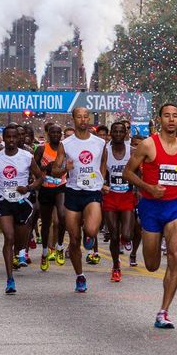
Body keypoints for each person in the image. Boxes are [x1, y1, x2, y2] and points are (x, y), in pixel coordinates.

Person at [123, 103, 177, 329]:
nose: (171, 120)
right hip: (151, 207)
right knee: (152, 265)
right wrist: (148, 187)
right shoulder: (148, 145)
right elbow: (127, 173)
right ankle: (154, 251)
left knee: (176, 255)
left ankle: (164, 311)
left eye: (175, 116)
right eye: (166, 116)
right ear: (159, 119)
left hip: (175, 207)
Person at [52, 107, 108, 293]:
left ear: (89, 118)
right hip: (73, 192)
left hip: (92, 191)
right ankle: (80, 276)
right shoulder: (66, 144)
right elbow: (54, 171)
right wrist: (65, 168)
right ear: (73, 120)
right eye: (79, 117)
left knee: (91, 229)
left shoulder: (99, 143)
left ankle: (89, 235)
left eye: (86, 117)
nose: (83, 120)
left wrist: (100, 180)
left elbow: (102, 164)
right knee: (74, 240)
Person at [0, 125, 44, 294]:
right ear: (4, 139)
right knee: (9, 237)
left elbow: (41, 177)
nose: (11, 140)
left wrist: (28, 188)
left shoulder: (26, 157)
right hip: (4, 200)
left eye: (14, 137)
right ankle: (10, 279)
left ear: (18, 139)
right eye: (8, 137)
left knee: (20, 240)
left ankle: (20, 251)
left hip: (22, 202)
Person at [100, 121, 135, 282]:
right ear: (111, 134)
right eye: (116, 131)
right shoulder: (104, 151)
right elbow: (97, 171)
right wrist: (102, 185)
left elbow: (139, 172)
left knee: (127, 235)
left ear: (126, 133)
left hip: (127, 196)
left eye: (122, 131)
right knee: (114, 235)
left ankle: (124, 239)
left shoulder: (132, 151)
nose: (119, 134)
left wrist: (138, 189)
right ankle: (116, 266)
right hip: (110, 196)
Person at [33, 122, 67, 270]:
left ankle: (59, 246)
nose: (55, 135)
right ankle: (45, 252)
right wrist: (45, 168)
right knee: (46, 223)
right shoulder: (42, 149)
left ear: (61, 135)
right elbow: (34, 168)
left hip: (61, 186)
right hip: (46, 188)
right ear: (48, 134)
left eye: (58, 133)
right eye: (52, 133)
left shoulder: (65, 148)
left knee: (62, 215)